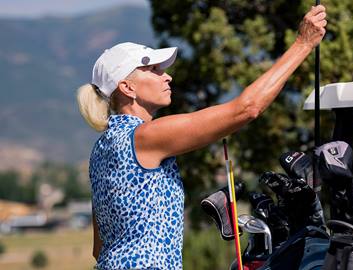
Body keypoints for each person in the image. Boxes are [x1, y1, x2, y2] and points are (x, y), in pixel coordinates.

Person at [76, 5, 327, 270]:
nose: (167, 75)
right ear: (127, 87)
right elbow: (247, 109)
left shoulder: (102, 149)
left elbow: (99, 247)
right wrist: (303, 43)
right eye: (154, 70)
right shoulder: (145, 136)